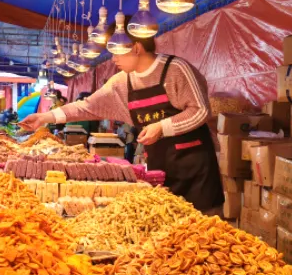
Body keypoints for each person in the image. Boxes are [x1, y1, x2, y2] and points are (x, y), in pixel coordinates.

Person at [21, 34, 223, 211]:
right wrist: (44, 117)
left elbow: (200, 110)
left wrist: (162, 127)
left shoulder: (175, 69)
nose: (113, 58)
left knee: (204, 232)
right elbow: (87, 106)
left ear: (136, 47)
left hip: (196, 171)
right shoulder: (121, 82)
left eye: (117, 52)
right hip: (159, 167)